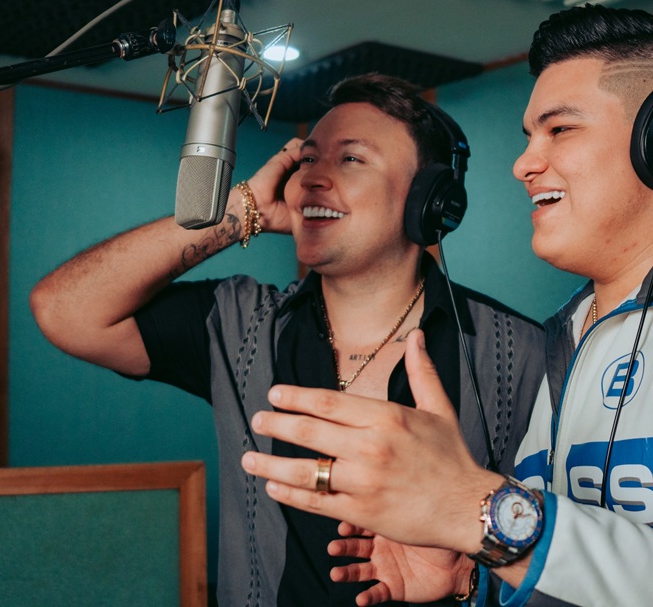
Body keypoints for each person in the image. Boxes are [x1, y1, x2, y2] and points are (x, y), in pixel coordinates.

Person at [241, 6, 653, 606]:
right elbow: (572, 562)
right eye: (530, 136)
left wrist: (479, 508)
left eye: (560, 129)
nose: (524, 163)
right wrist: (471, 571)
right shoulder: (567, 335)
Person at [30, 72, 547, 607]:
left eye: (351, 158)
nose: (312, 178)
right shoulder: (238, 323)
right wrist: (239, 212)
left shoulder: (521, 353)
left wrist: (469, 578)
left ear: (428, 199)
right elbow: (64, 311)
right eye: (307, 159)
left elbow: (578, 560)